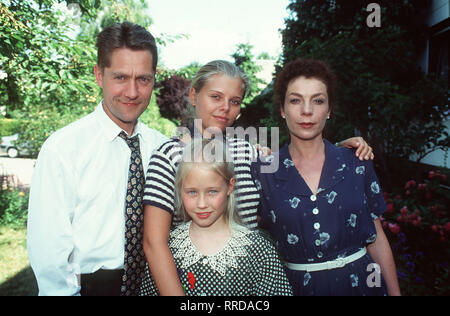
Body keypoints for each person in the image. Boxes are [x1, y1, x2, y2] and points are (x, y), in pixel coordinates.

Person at [141, 60, 375, 295]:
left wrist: (341, 152)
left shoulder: (248, 153)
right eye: (215, 97)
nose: (225, 108)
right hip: (192, 281)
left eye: (234, 101)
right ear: (194, 95)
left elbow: (300, 172)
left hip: (248, 280)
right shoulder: (168, 155)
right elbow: (154, 242)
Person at [27, 22, 168, 296]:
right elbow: (49, 249)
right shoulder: (64, 148)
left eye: (143, 79)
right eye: (120, 77)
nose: (132, 92)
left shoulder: (162, 147)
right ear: (99, 75)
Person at [251, 58, 401, 296]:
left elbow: (376, 238)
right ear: (282, 109)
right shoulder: (263, 171)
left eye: (318, 100)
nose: (307, 111)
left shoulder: (357, 162)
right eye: (295, 100)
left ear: (329, 110)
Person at [140, 139, 293, 295]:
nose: (201, 204)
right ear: (180, 189)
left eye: (212, 191)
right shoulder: (168, 250)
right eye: (192, 192)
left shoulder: (259, 251)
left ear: (230, 187)